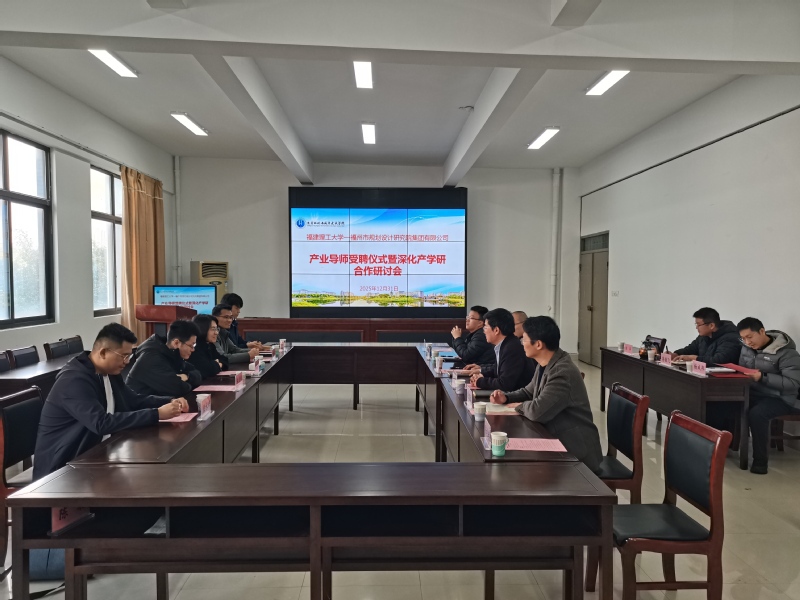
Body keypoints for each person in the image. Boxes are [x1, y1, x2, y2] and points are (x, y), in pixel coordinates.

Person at [33, 324, 187, 479]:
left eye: (129, 356)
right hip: (63, 468)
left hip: (98, 452)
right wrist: (156, 414)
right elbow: (101, 423)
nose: (127, 362)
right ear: (103, 353)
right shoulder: (74, 380)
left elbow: (133, 399)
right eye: (124, 356)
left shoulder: (109, 372)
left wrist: (169, 400)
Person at [491, 316, 603, 473]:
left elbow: (537, 411)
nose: (521, 343)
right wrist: (507, 397)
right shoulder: (546, 363)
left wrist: (520, 406)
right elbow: (528, 391)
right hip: (556, 439)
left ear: (538, 344)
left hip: (576, 453)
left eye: (524, 339)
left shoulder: (562, 372)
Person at [737, 317, 800, 474]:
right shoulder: (746, 348)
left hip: (782, 398)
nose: (747, 342)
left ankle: (760, 462)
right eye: (743, 338)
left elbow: (793, 383)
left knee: (758, 414)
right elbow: (742, 369)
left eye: (750, 337)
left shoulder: (787, 353)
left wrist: (763, 377)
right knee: (729, 403)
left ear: (762, 331)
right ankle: (723, 449)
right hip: (755, 393)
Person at [126, 320, 203, 397]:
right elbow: (179, 389)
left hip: (160, 401)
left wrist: (187, 376)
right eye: (191, 345)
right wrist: (185, 381)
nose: (193, 349)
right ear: (176, 343)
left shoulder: (170, 353)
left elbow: (198, 374)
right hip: (139, 403)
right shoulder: (151, 358)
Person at [470, 308, 535, 391]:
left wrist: (480, 381)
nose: (484, 331)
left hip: (516, 397)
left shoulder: (512, 348)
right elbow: (499, 370)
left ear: (496, 330)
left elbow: (504, 384)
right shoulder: (506, 344)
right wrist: (481, 373)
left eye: (485, 327)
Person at [672, 307, 741, 364]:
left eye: (699, 324)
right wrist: (675, 354)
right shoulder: (703, 336)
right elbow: (690, 350)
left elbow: (719, 360)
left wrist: (694, 358)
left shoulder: (730, 338)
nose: (696, 327)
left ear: (711, 325)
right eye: (696, 324)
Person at [189, 314, 229, 378]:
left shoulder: (209, 344)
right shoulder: (194, 347)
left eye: (217, 329)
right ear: (202, 329)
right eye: (213, 329)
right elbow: (207, 370)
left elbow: (225, 360)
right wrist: (217, 364)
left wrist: (216, 364)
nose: (216, 333)